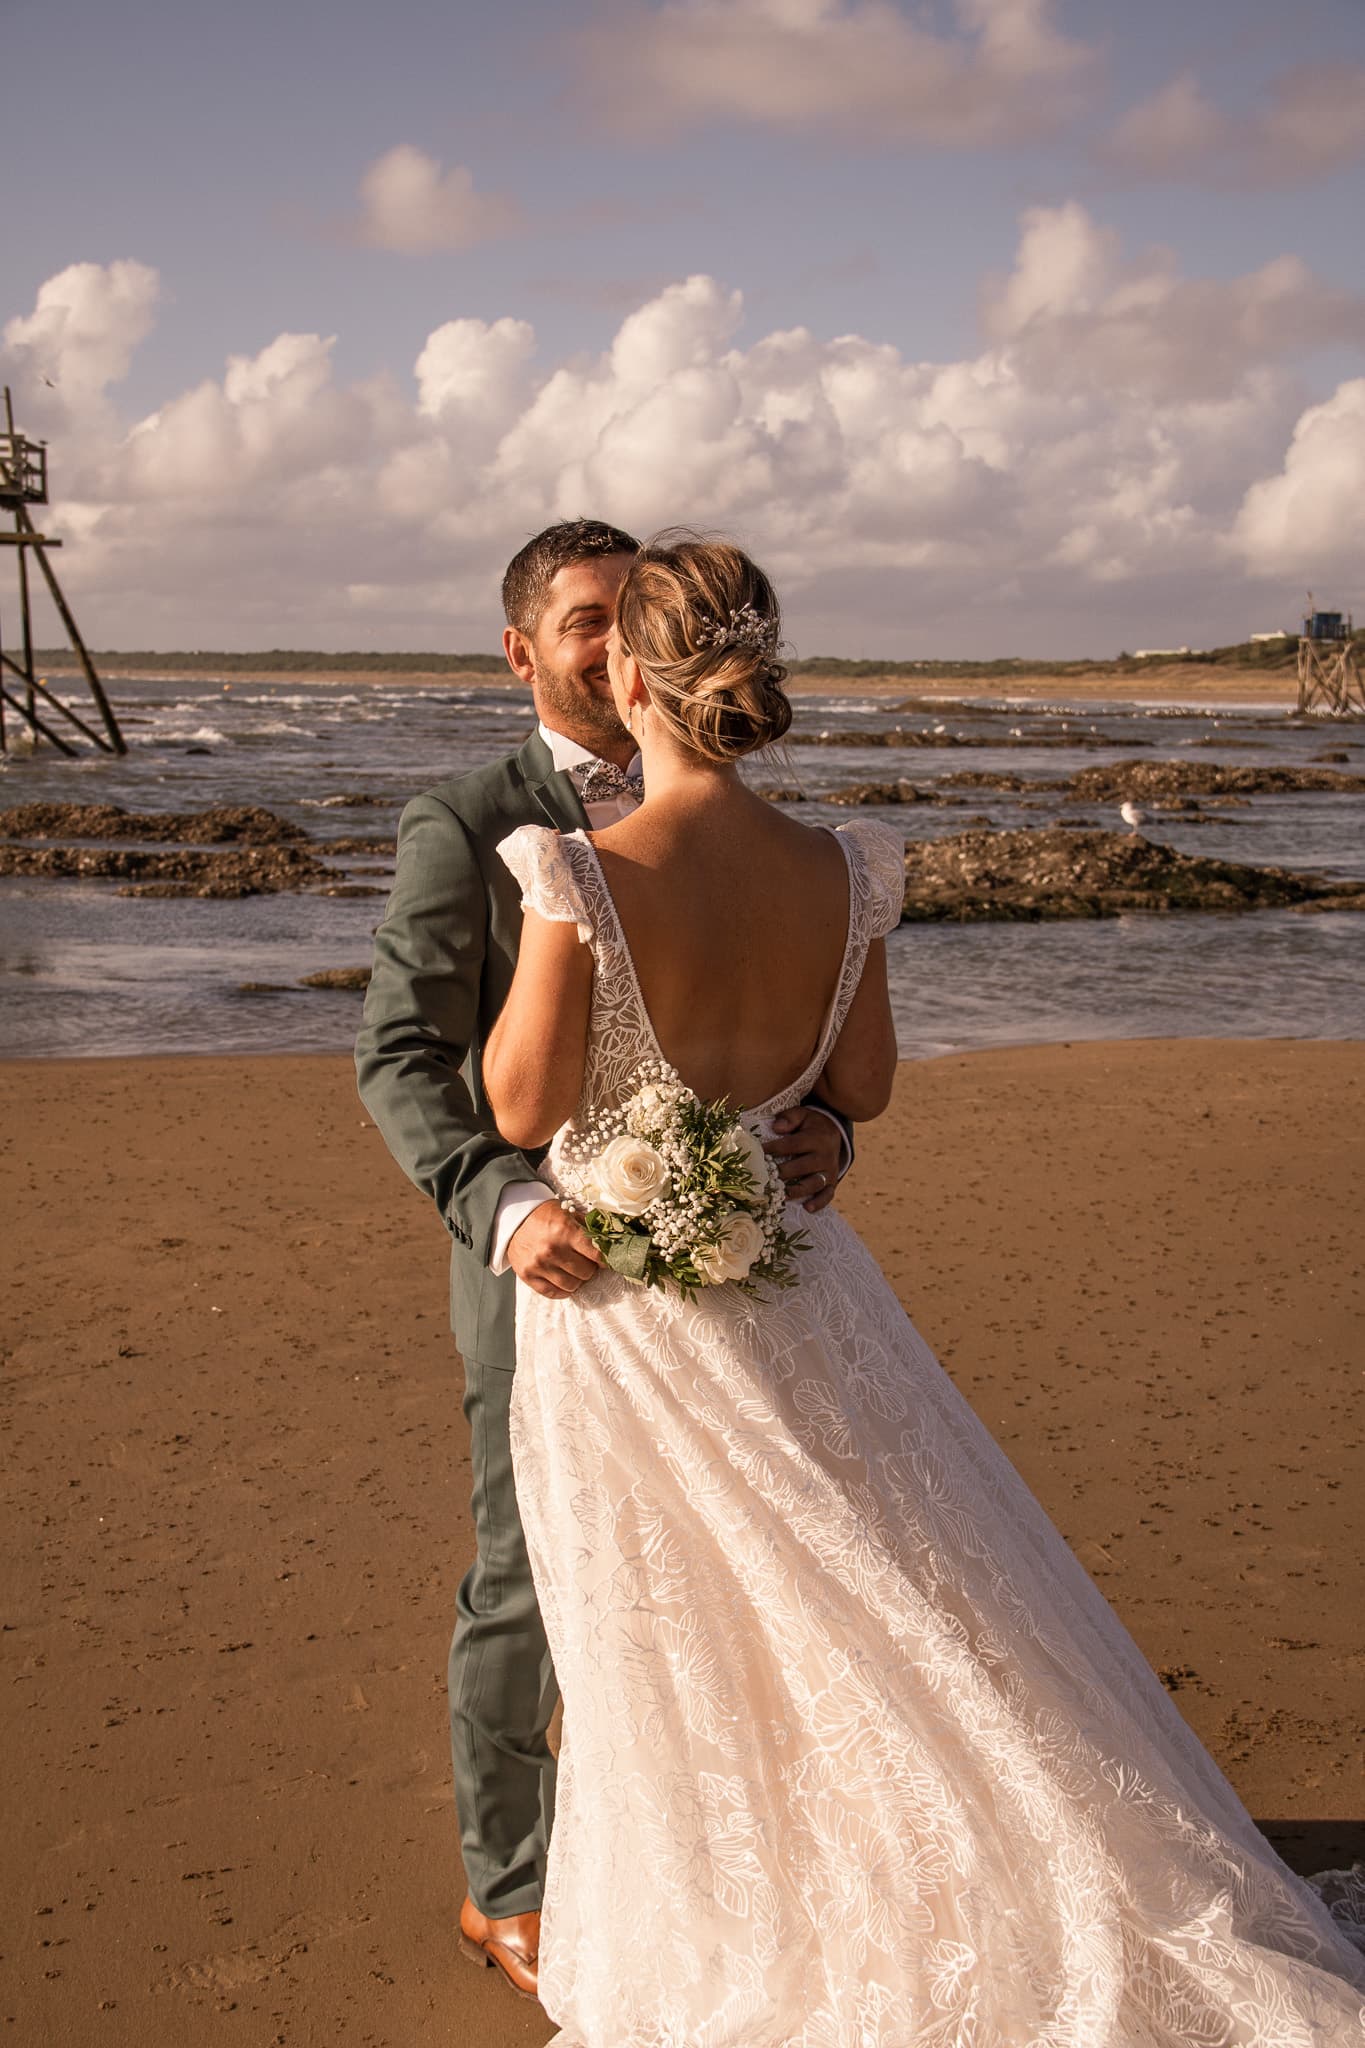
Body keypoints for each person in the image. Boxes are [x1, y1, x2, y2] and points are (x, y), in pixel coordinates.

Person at [481, 533, 1365, 2047]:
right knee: (893, 1584)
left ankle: (765, 1918)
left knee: (685, 1633)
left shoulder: (579, 872)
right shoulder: (843, 866)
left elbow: (515, 1105)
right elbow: (862, 1085)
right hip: (806, 1286)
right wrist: (787, 1118)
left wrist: (580, 1017)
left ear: (626, 676)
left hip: (632, 1329)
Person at [354, 519, 850, 2001]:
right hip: (550, 1269)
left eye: (627, 614)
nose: (611, 641)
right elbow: (398, 1057)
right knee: (531, 1574)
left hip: (735, 1267)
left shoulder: (722, 812)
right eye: (583, 619)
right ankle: (508, 1885)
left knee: (729, 1570)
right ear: (523, 652)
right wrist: (504, 1206)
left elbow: (790, 1030)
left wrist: (816, 1123)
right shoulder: (467, 824)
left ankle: (711, 1864)